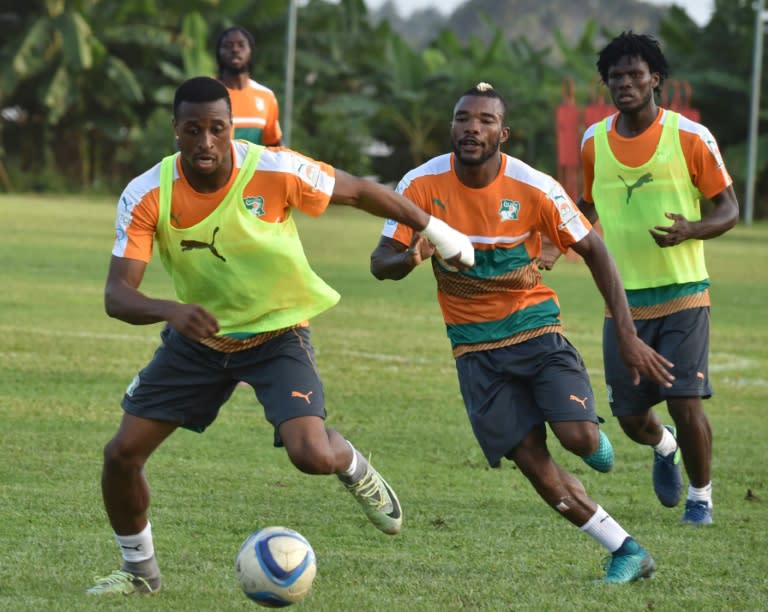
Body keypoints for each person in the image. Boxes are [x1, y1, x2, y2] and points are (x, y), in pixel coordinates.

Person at [86, 76, 475, 596]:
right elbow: (118, 295)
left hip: (278, 331)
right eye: (193, 130)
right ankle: (140, 572)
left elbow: (360, 191)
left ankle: (354, 466)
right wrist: (169, 310)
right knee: (121, 455)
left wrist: (439, 230)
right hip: (200, 337)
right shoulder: (146, 192)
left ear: (233, 129)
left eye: (217, 129)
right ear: (175, 130)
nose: (206, 142)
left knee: (311, 454)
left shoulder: (273, 168)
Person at [370, 83, 676, 584]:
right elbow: (379, 263)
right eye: (463, 118)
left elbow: (596, 251)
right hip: (473, 349)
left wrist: (627, 335)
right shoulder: (419, 185)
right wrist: (408, 257)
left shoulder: (534, 186)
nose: (472, 127)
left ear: (503, 133)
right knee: (533, 462)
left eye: (485, 120)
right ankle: (626, 550)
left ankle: (597, 439)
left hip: (535, 331)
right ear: (452, 127)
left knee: (577, 437)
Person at [540, 32, 739, 526]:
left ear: (656, 79)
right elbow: (582, 208)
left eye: (635, 74)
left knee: (685, 401)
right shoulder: (593, 141)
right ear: (606, 84)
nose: (625, 83)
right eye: (615, 76)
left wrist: (693, 229)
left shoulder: (691, 137)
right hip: (623, 303)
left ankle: (701, 497)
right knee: (630, 419)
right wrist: (553, 243)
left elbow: (730, 209)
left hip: (684, 294)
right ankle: (663, 445)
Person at [216, 25, 282, 145]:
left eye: (241, 45)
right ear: (218, 52)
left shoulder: (266, 96)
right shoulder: (207, 93)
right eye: (228, 46)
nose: (235, 50)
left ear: (251, 51)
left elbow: (273, 144)